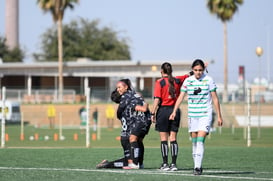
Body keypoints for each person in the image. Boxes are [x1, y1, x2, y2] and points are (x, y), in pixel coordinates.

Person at [169, 59, 223, 175]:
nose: (198, 72)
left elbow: (215, 98)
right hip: (193, 115)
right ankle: (197, 165)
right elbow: (181, 97)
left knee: (200, 140)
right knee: (194, 141)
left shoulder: (209, 80)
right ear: (192, 70)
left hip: (205, 114)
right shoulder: (188, 81)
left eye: (200, 70)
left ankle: (197, 168)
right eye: (196, 70)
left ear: (203, 70)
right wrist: (174, 111)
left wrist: (219, 115)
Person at [96, 86, 150, 169]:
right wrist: (145, 104)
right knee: (129, 160)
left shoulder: (122, 109)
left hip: (124, 136)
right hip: (127, 137)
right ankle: (136, 163)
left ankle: (107, 164)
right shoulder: (129, 105)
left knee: (129, 158)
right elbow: (143, 108)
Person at [150, 62, 190, 171]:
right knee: (173, 138)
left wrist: (152, 113)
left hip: (163, 111)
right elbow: (188, 75)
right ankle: (174, 164)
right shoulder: (177, 80)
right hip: (175, 110)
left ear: (161, 71)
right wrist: (203, 68)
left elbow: (157, 99)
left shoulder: (160, 82)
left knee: (164, 139)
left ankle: (165, 164)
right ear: (171, 71)